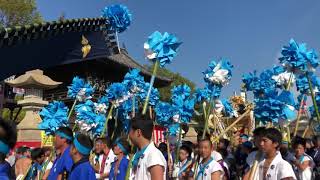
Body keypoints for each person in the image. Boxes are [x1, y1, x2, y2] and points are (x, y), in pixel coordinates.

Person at [128, 114, 167, 180]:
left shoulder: (154, 155)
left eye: (130, 131)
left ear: (138, 132)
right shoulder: (138, 153)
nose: (129, 135)